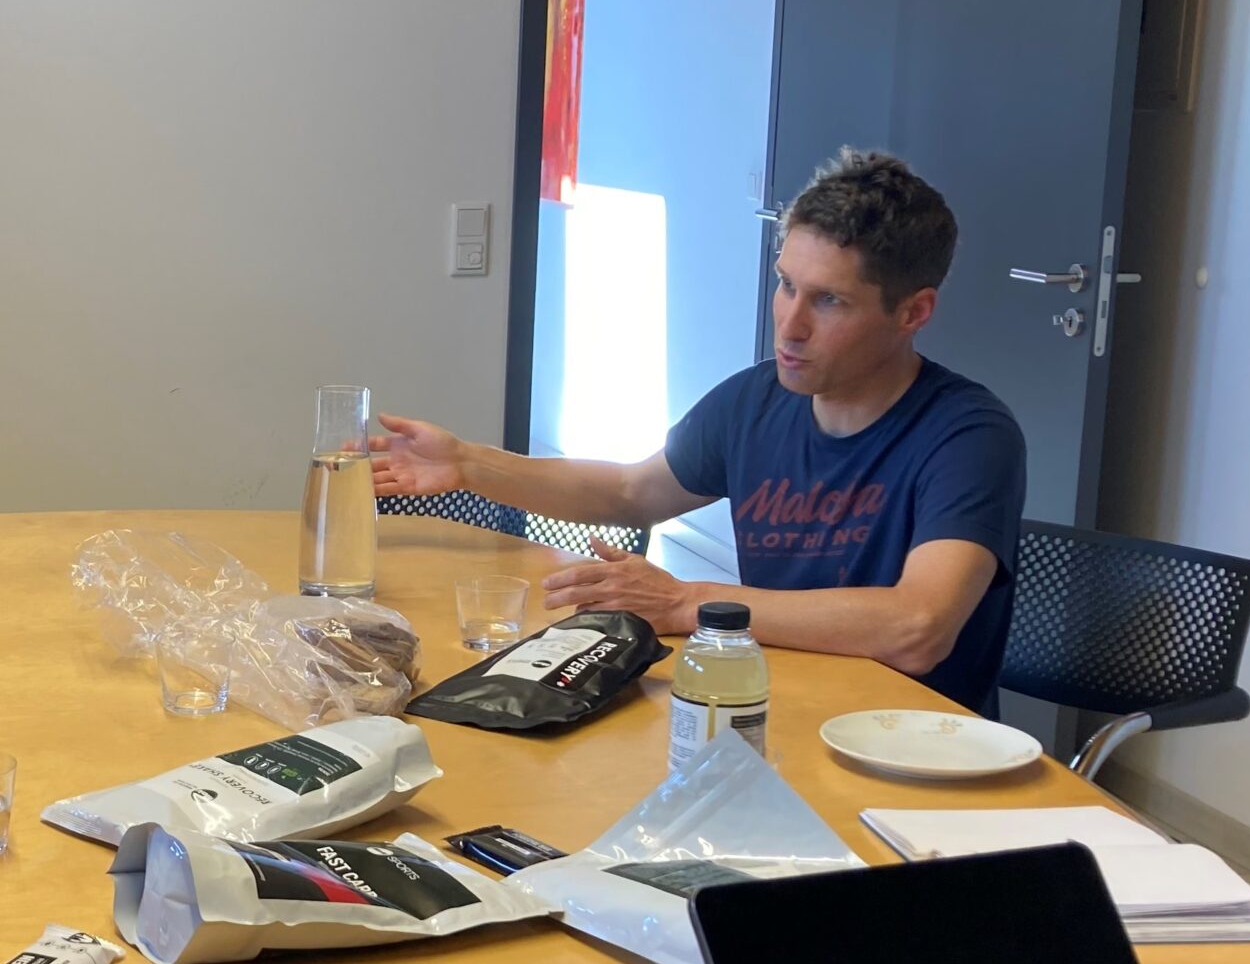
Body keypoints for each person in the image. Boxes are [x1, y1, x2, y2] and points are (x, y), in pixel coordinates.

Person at [374, 148, 1027, 712]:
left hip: (914, 754)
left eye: (829, 300)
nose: (790, 324)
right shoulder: (755, 401)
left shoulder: (969, 436)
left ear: (913, 312)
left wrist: (690, 603)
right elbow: (630, 491)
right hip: (775, 706)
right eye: (786, 285)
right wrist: (470, 463)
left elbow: (918, 626)